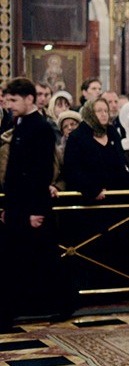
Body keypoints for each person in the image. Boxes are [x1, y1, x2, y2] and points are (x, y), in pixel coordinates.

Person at [1, 78, 59, 329]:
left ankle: (52, 305)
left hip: (32, 209)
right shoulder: (20, 124)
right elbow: (13, 171)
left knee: (36, 259)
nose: (9, 105)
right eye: (7, 100)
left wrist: (36, 211)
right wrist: (8, 207)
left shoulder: (42, 128)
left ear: (29, 99)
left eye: (14, 100)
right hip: (17, 208)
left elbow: (41, 172)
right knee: (16, 260)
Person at [63, 98, 129, 201]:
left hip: (115, 194)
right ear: (90, 113)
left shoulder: (112, 132)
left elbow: (121, 164)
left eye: (106, 111)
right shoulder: (77, 137)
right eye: (99, 111)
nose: (104, 114)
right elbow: (72, 170)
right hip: (90, 197)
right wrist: (92, 190)